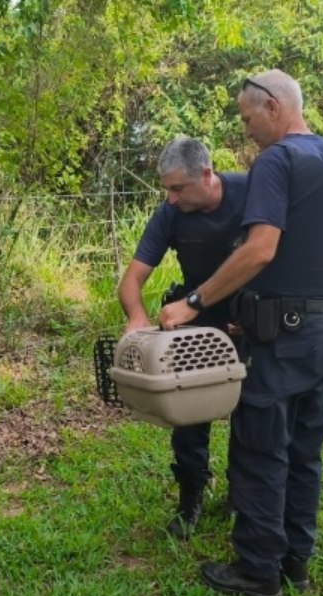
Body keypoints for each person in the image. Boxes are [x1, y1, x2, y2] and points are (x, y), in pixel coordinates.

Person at [158, 69, 323, 596]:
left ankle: (258, 571)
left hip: (279, 332)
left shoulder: (277, 162)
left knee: (261, 448)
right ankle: (296, 565)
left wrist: (195, 302)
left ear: (272, 106)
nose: (247, 132)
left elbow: (261, 249)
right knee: (305, 451)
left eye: (247, 119)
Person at [117, 136, 248, 539]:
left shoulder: (252, 193)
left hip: (251, 317)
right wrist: (137, 317)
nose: (171, 199)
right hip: (195, 319)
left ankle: (242, 497)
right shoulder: (170, 214)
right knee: (188, 413)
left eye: (178, 188)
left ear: (207, 175)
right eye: (166, 190)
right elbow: (132, 280)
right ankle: (191, 494)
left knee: (253, 412)